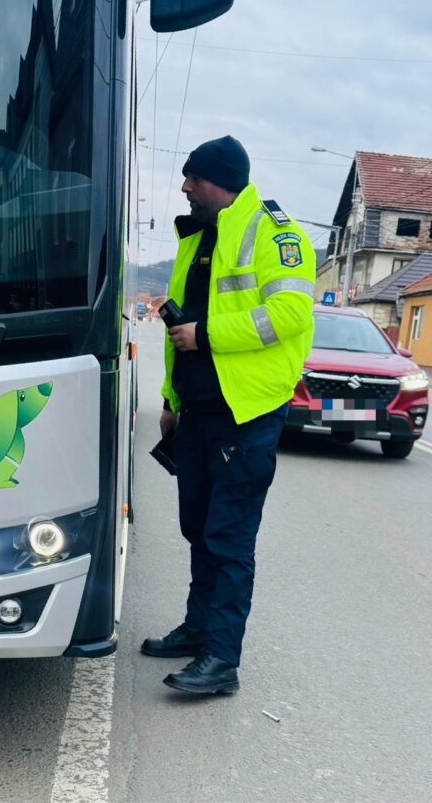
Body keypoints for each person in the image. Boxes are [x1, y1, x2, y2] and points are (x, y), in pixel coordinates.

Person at [141, 135, 316, 695]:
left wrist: (210, 335)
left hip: (247, 414)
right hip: (197, 412)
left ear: (219, 181)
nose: (185, 187)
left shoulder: (275, 232)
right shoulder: (198, 238)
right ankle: (198, 629)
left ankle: (221, 660)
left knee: (229, 538)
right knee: (197, 527)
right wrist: (170, 403)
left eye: (193, 178)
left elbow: (289, 314)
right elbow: (176, 331)